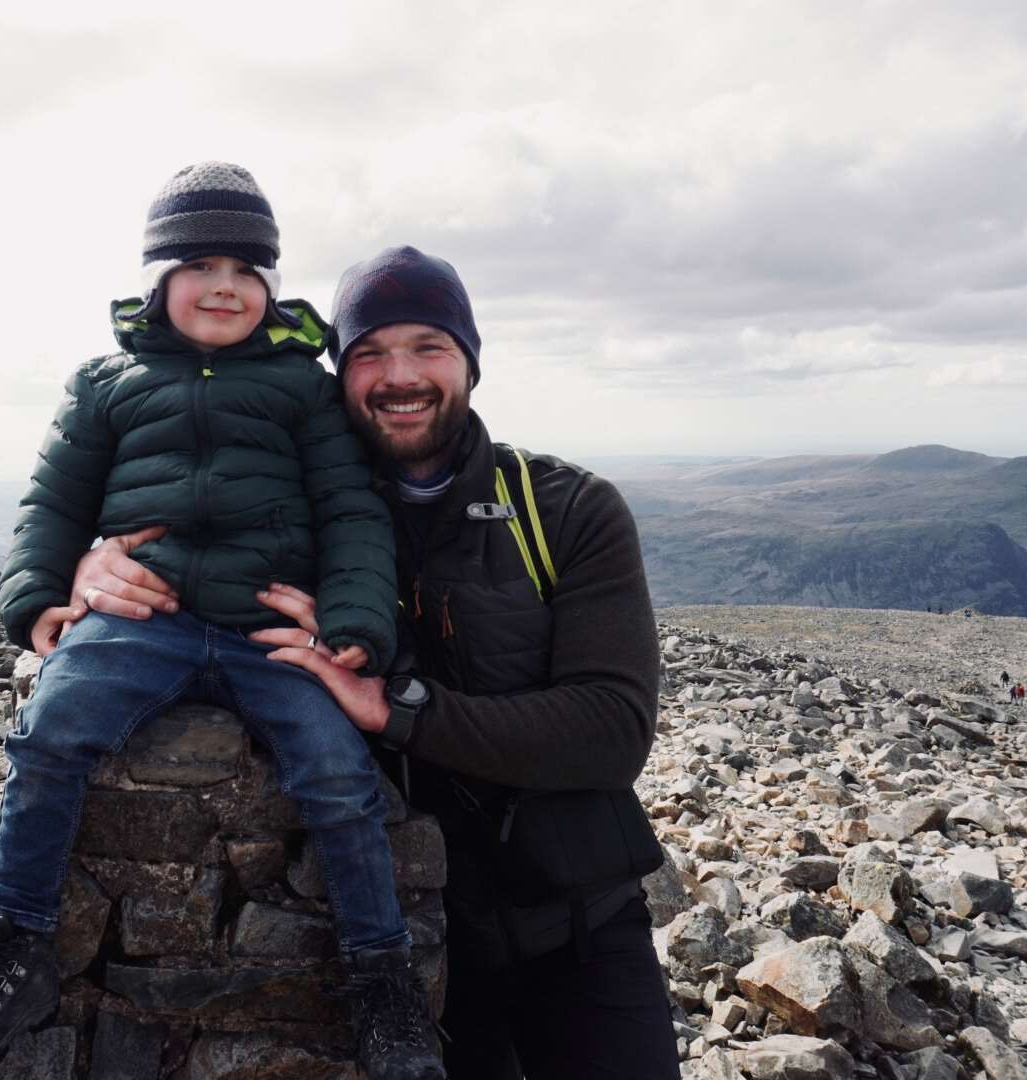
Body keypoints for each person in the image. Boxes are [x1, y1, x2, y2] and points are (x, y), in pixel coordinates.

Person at [64, 245, 680, 1078]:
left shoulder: (565, 509)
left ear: (470, 361)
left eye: (429, 346)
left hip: (581, 927)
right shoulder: (294, 520)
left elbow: (611, 731)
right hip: (422, 932)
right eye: (368, 354)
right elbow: (152, 513)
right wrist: (93, 561)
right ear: (338, 373)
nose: (400, 376)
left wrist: (400, 707)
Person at [0, 166, 443, 1080]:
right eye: (199, 263)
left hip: (268, 630)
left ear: (272, 285)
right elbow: (54, 501)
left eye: (247, 266)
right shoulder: (105, 382)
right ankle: (10, 945)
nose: (225, 284)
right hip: (138, 621)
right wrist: (37, 594)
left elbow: (350, 508)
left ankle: (381, 977)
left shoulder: (303, 388)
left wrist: (354, 618)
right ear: (158, 279)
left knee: (338, 777)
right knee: (50, 735)